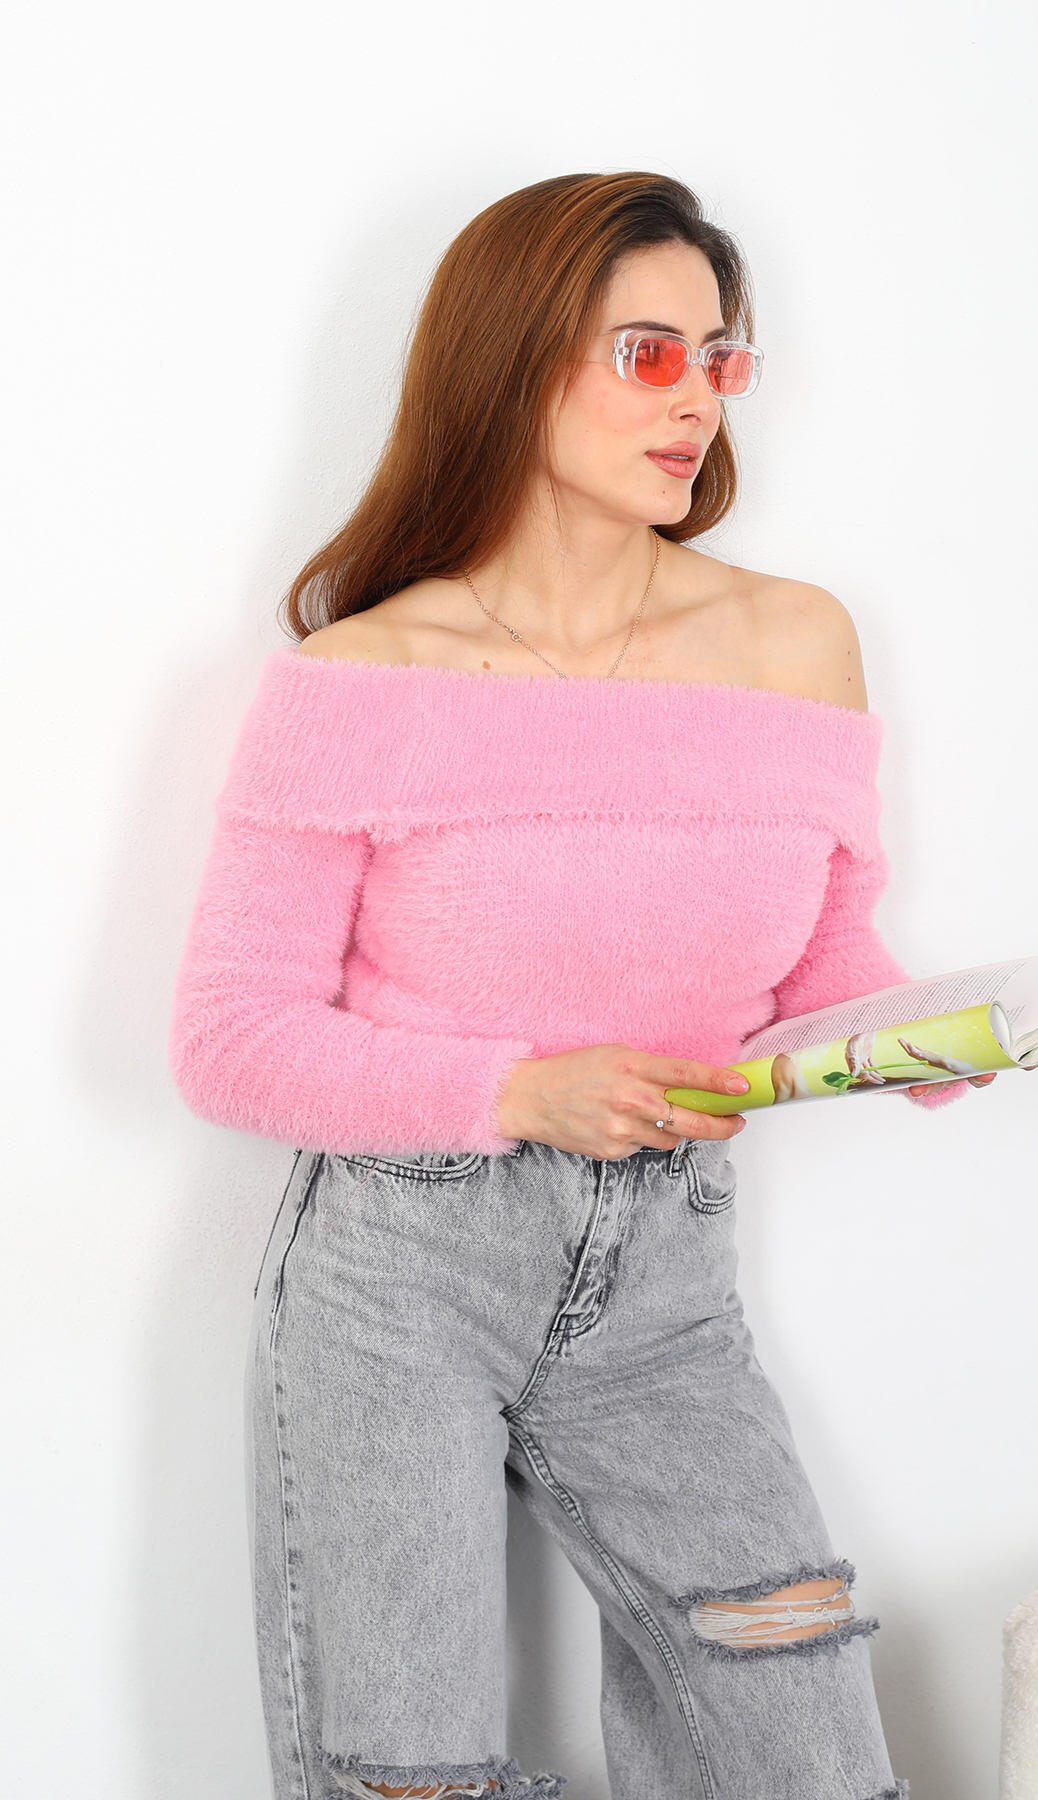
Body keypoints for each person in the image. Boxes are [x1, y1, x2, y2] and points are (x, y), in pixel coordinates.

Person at [169, 171, 994, 1800]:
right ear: (513, 358)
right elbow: (229, 1036)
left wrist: (931, 1039)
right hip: (398, 1273)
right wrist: (514, 1090)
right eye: (648, 354)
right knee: (408, 1774)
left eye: (719, 358)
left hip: (666, 1281)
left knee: (799, 1733)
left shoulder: (798, 641)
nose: (698, 400)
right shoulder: (364, 677)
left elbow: (826, 955)